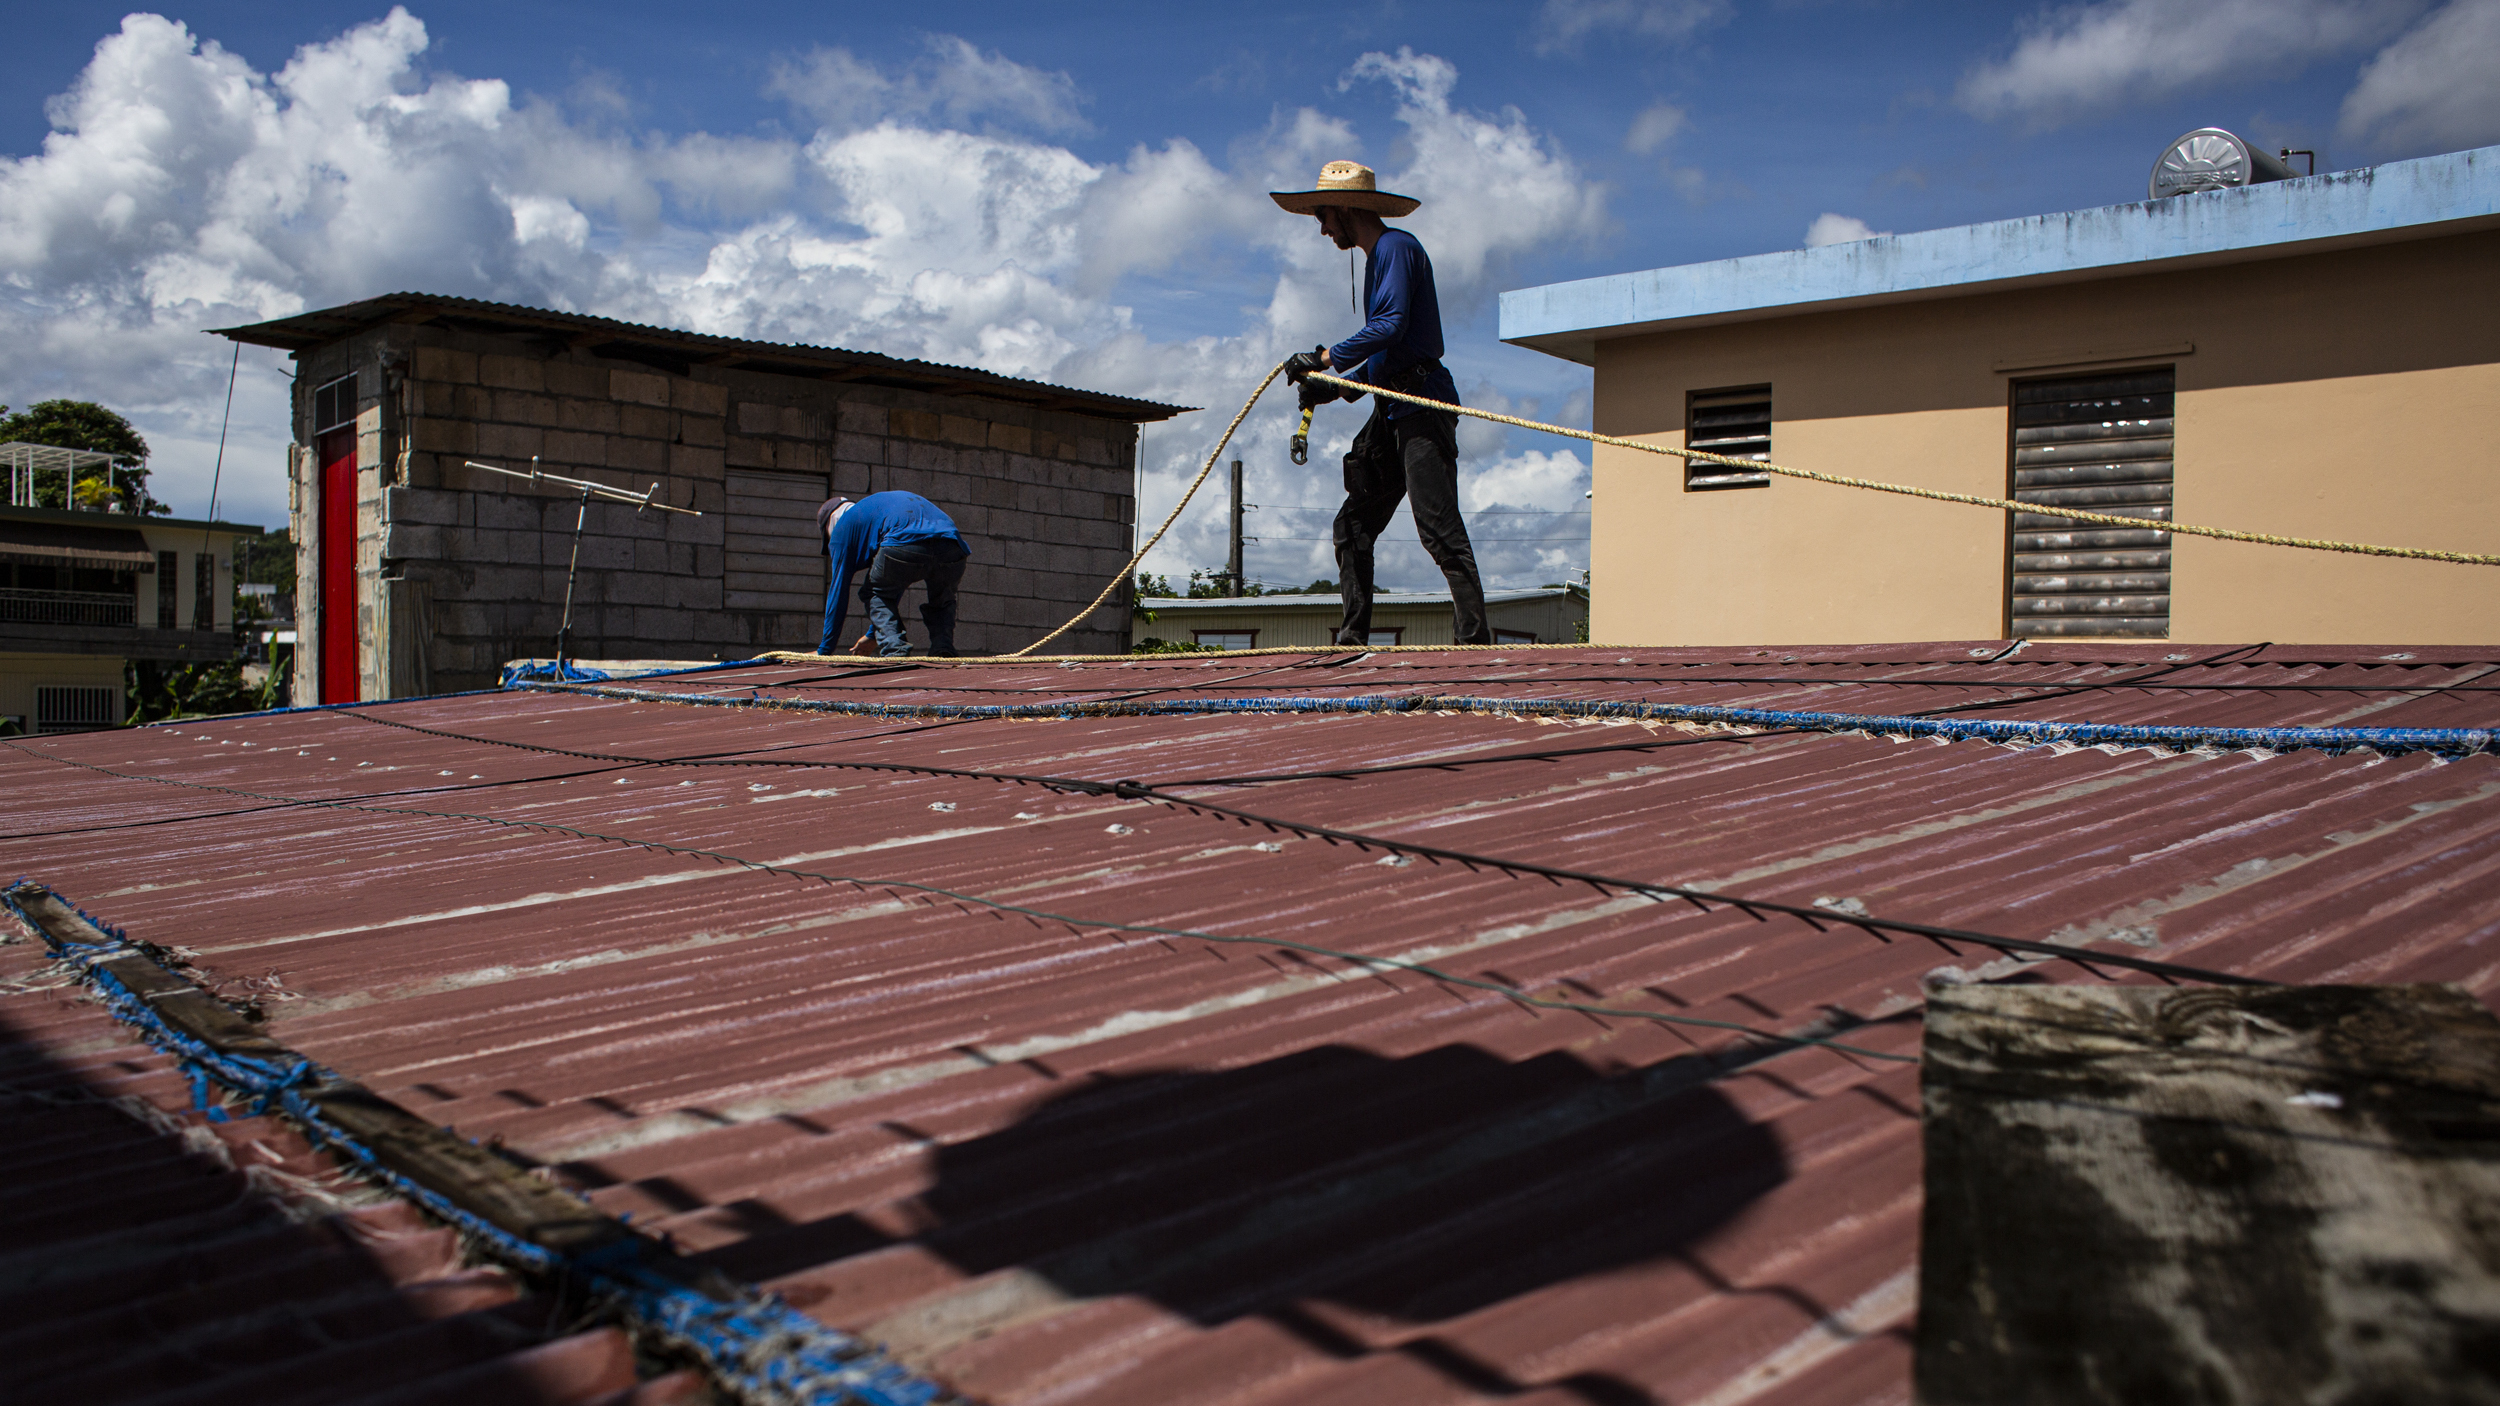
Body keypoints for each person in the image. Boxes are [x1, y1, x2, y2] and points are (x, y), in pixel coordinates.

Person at [1272, 159, 1492, 647]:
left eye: (1323, 216)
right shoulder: (1378, 260)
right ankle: (1352, 643)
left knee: (1437, 527)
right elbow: (1383, 358)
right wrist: (1333, 387)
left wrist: (1325, 359)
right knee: (1352, 526)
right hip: (1391, 408)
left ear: (1347, 208)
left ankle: (1474, 643)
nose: (1323, 229)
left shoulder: (1397, 248)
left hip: (1422, 406)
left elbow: (1390, 326)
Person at [816, 491, 970, 656]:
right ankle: (943, 649)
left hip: (905, 541)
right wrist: (872, 635)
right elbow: (893, 585)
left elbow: (838, 592)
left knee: (874, 592)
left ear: (829, 525)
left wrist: (825, 650)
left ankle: (895, 649)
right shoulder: (871, 512)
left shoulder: (841, 527)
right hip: (952, 544)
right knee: (942, 600)